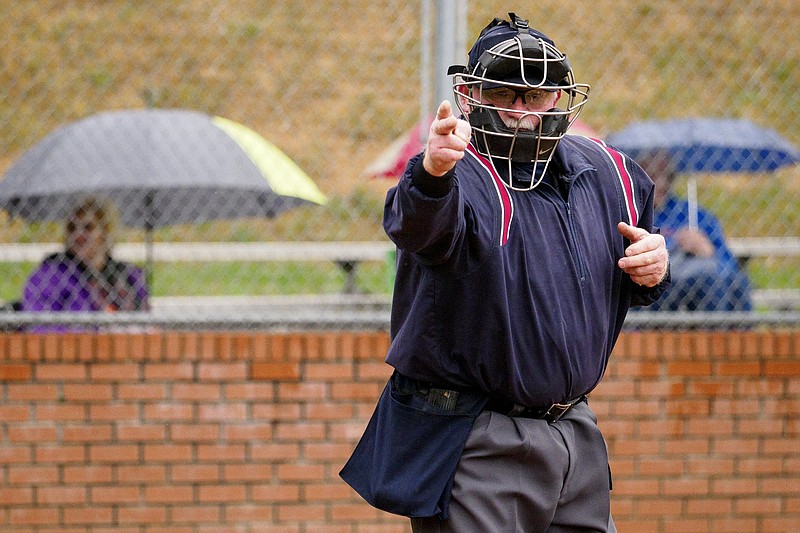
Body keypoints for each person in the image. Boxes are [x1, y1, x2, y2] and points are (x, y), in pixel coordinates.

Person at [341, 13, 669, 532]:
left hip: (576, 433)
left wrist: (655, 266)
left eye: (536, 95)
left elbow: (638, 266)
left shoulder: (609, 171)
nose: (522, 110)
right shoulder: (456, 171)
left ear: (560, 99)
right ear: (471, 93)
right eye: (505, 91)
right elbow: (416, 224)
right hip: (480, 439)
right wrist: (432, 171)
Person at [638, 153, 752, 311]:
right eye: (652, 175)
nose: (661, 183)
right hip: (657, 285)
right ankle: (715, 333)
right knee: (708, 277)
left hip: (701, 281)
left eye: (666, 175)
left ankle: (739, 335)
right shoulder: (634, 213)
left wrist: (707, 250)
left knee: (738, 281)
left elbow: (729, 266)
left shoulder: (694, 214)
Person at [21, 196, 150, 315]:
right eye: (72, 228)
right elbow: (39, 324)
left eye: (88, 227)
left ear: (106, 231)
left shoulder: (129, 276)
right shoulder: (49, 275)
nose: (78, 234)